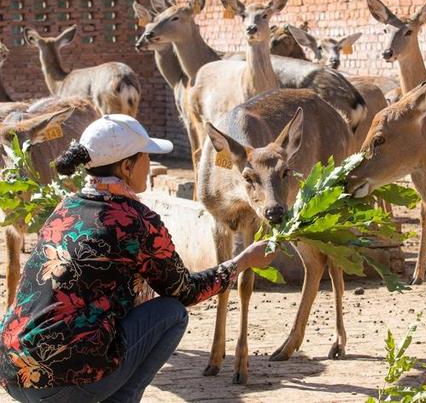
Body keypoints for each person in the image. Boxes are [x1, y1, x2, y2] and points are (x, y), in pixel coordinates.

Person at [0, 114, 275, 402]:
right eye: (145, 156)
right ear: (127, 166)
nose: (149, 163)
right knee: (171, 313)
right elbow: (186, 291)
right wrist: (244, 261)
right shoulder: (136, 220)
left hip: (13, 371)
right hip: (64, 380)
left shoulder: (65, 207)